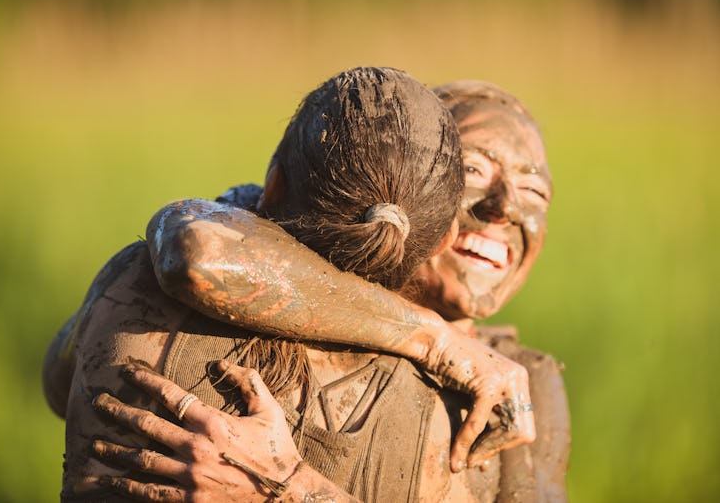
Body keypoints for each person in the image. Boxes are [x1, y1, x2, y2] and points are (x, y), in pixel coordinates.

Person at [43, 68, 533, 502]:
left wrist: (292, 487)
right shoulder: (433, 422)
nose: (506, 205)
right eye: (474, 170)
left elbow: (58, 380)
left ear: (273, 183)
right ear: (442, 237)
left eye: (533, 190)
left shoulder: (130, 287)